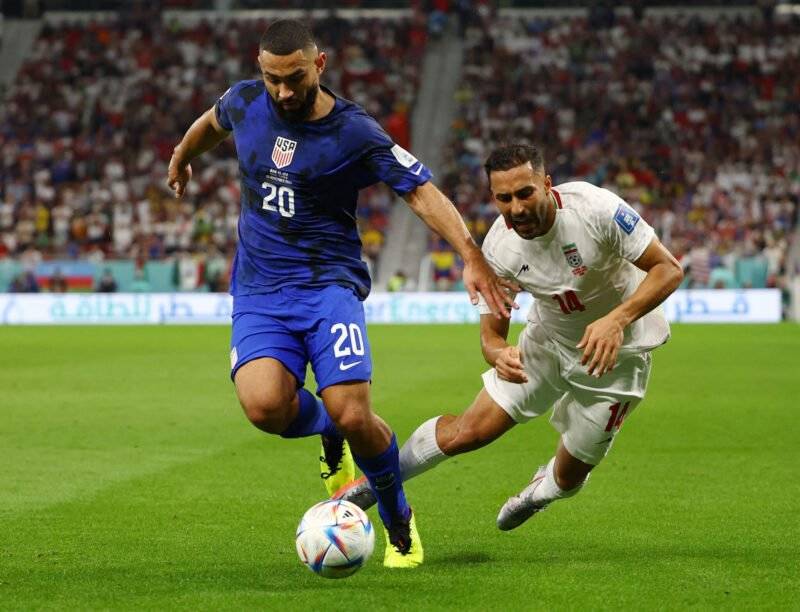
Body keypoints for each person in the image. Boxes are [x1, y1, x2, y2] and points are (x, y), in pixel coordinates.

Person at [166, 19, 515, 569]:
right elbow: (212, 124)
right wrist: (184, 153)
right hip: (259, 289)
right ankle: (327, 430)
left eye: (295, 78)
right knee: (264, 408)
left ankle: (398, 519)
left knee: (356, 415)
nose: (283, 91)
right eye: (272, 78)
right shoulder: (245, 101)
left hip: (328, 286)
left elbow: (419, 190)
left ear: (319, 65)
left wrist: (471, 254)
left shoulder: (355, 131)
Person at [335, 144, 684, 535]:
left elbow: (668, 269)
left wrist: (616, 320)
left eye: (524, 193)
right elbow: (491, 337)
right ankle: (379, 480)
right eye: (503, 198)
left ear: (547, 185)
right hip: (547, 345)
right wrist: (498, 354)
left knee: (569, 479)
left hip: (617, 359)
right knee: (469, 432)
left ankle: (540, 492)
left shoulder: (596, 210)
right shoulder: (499, 248)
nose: (515, 208)